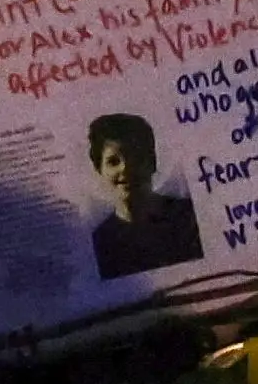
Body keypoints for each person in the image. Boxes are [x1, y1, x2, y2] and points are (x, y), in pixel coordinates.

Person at [84, 112, 200, 275]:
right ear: (99, 170)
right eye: (113, 162)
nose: (125, 168)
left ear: (152, 162)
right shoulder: (100, 243)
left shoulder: (189, 217)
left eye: (135, 157)